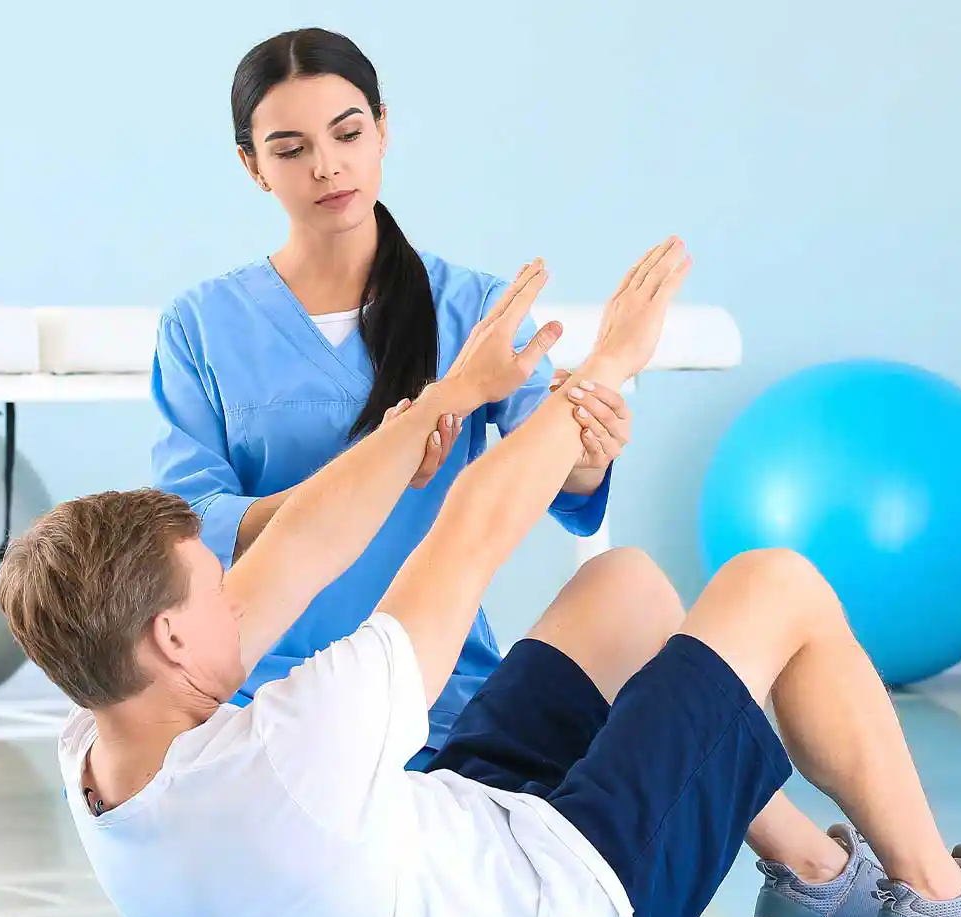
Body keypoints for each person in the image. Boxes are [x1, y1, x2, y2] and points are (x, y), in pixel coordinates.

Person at [0, 241, 961, 917]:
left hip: (448, 838)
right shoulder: (289, 754)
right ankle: (940, 908)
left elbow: (298, 551)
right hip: (569, 916)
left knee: (621, 588)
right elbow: (468, 536)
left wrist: (449, 399)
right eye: (213, 589)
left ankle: (811, 873)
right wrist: (605, 366)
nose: (239, 591)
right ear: (173, 641)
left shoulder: (102, 738)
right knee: (774, 584)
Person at [149, 27, 627, 762]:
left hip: (437, 685)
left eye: (348, 133)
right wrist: (368, 476)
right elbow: (192, 518)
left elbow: (556, 470)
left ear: (383, 130)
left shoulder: (475, 308)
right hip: (261, 693)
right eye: (290, 148)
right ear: (252, 166)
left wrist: (591, 439)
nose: (327, 166)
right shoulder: (201, 324)